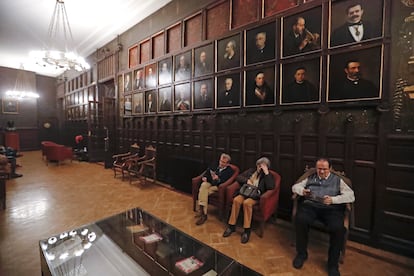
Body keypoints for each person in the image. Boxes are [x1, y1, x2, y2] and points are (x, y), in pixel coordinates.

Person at [292, 158, 355, 276]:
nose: (321, 172)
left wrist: (333, 200)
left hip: (331, 209)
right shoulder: (310, 176)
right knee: (301, 219)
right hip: (311, 206)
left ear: (330, 168)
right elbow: (295, 187)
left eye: (324, 169)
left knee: (338, 228)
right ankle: (301, 254)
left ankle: (332, 264)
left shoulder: (338, 180)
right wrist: (302, 191)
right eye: (319, 169)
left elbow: (351, 196)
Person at [222, 157, 274, 243]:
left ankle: (246, 230)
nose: (259, 167)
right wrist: (247, 181)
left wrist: (266, 172)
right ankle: (231, 226)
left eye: (262, 166)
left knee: (247, 203)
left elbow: (270, 187)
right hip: (245, 192)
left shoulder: (268, 175)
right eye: (258, 165)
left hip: (255, 196)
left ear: (267, 167)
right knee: (236, 200)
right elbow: (239, 177)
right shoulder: (251, 171)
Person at [195, 153, 234, 225]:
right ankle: (204, 214)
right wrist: (205, 177)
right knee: (203, 185)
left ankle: (203, 213)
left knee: (202, 191)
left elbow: (227, 182)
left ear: (228, 164)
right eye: (221, 161)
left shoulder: (230, 171)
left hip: (218, 187)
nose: (221, 163)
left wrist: (218, 179)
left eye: (224, 162)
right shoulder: (215, 164)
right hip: (210, 182)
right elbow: (207, 172)